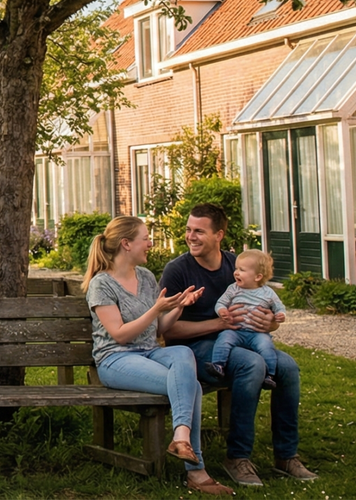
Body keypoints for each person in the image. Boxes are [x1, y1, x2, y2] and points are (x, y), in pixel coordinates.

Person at [160, 203, 316, 487]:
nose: (190, 237)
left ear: (219, 235)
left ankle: (286, 455)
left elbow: (268, 313)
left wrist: (270, 322)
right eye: (188, 230)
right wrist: (218, 325)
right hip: (194, 349)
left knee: (289, 367)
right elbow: (167, 329)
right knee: (252, 365)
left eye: (199, 231)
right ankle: (238, 456)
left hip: (240, 342)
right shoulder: (178, 271)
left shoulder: (238, 264)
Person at [83, 216, 230, 495]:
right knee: (192, 386)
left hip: (149, 352)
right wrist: (155, 309)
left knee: (184, 354)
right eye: (145, 238)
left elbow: (159, 329)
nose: (150, 244)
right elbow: (120, 335)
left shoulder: (147, 277)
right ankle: (196, 471)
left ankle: (181, 437)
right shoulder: (101, 284)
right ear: (126, 244)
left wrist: (179, 307)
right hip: (115, 359)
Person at [205, 249, 287, 387]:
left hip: (257, 333)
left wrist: (280, 315)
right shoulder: (233, 289)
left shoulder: (268, 293)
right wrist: (222, 311)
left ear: (257, 277)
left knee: (266, 346)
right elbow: (221, 302)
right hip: (236, 330)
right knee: (224, 339)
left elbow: (279, 307)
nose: (236, 272)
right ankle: (218, 366)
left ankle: (270, 375)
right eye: (236, 268)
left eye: (241, 270)